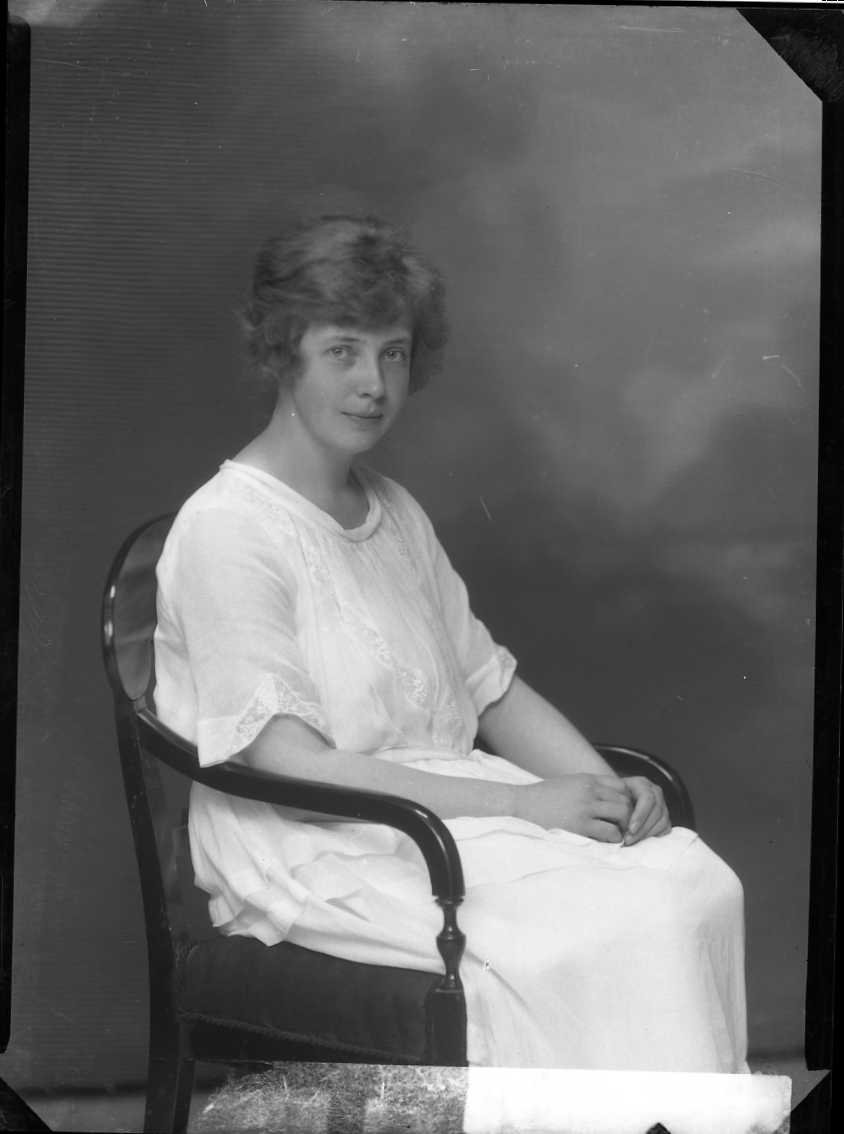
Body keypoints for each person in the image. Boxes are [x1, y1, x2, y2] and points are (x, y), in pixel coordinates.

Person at [153, 215, 747, 1071]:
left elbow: (489, 687)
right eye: (342, 351)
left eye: (393, 353)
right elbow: (291, 769)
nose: (373, 384)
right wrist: (523, 808)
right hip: (318, 845)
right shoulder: (228, 528)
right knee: (610, 924)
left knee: (691, 881)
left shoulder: (392, 511)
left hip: (432, 815)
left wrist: (602, 789)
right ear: (283, 353)